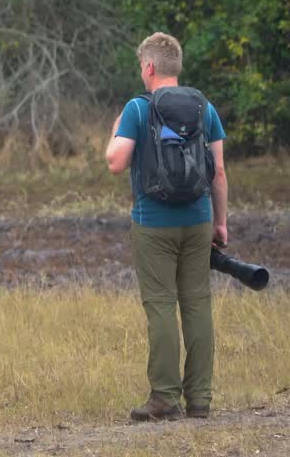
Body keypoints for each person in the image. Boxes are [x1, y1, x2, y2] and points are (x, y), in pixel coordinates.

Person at [105, 32, 228, 422]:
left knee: (160, 306)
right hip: (198, 220)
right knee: (197, 305)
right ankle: (201, 400)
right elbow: (219, 172)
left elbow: (115, 162)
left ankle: (164, 398)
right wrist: (220, 224)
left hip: (153, 223)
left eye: (142, 66)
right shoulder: (203, 107)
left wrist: (114, 131)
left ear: (150, 66)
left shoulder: (137, 109)